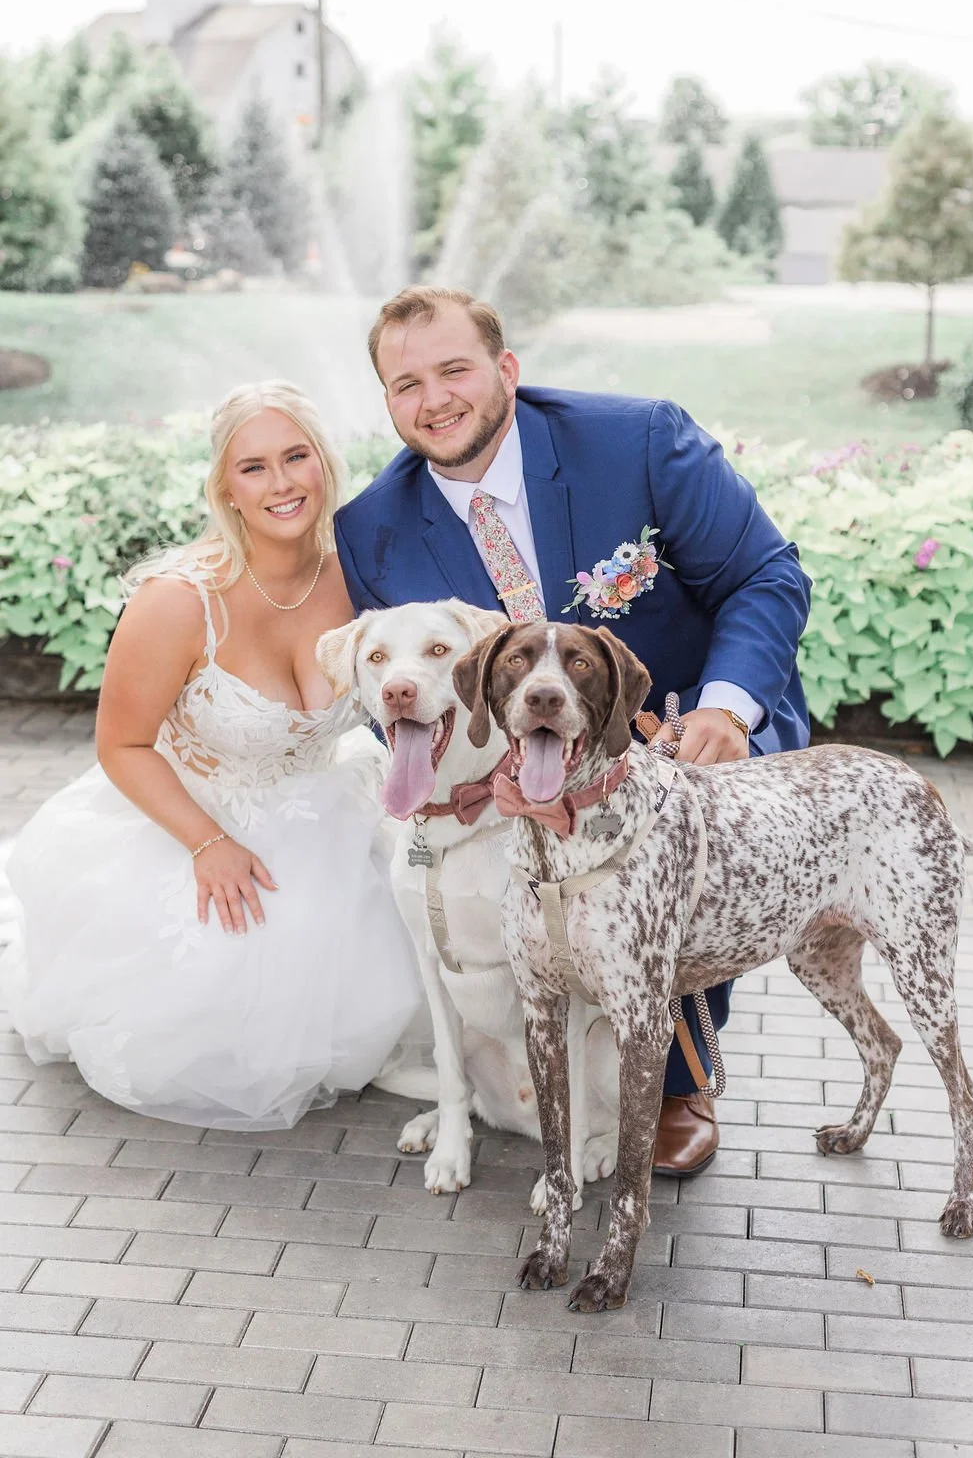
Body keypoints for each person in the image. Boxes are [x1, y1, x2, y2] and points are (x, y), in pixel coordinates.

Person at [335, 287, 812, 1176]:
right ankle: (526, 1061)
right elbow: (392, 685)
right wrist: (468, 779)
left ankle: (674, 1080)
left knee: (668, 882)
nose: (434, 400)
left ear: (506, 369)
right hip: (512, 758)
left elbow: (765, 575)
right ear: (387, 402)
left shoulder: (637, 442)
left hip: (682, 725)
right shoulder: (372, 527)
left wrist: (725, 707)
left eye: (454, 371)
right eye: (406, 385)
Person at [2, 381, 422, 1130]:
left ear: (324, 464)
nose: (283, 482)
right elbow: (121, 743)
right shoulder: (177, 600)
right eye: (254, 466)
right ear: (225, 487)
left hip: (332, 811)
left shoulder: (363, 579)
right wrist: (208, 844)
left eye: (297, 457)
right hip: (195, 816)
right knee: (220, 1021)